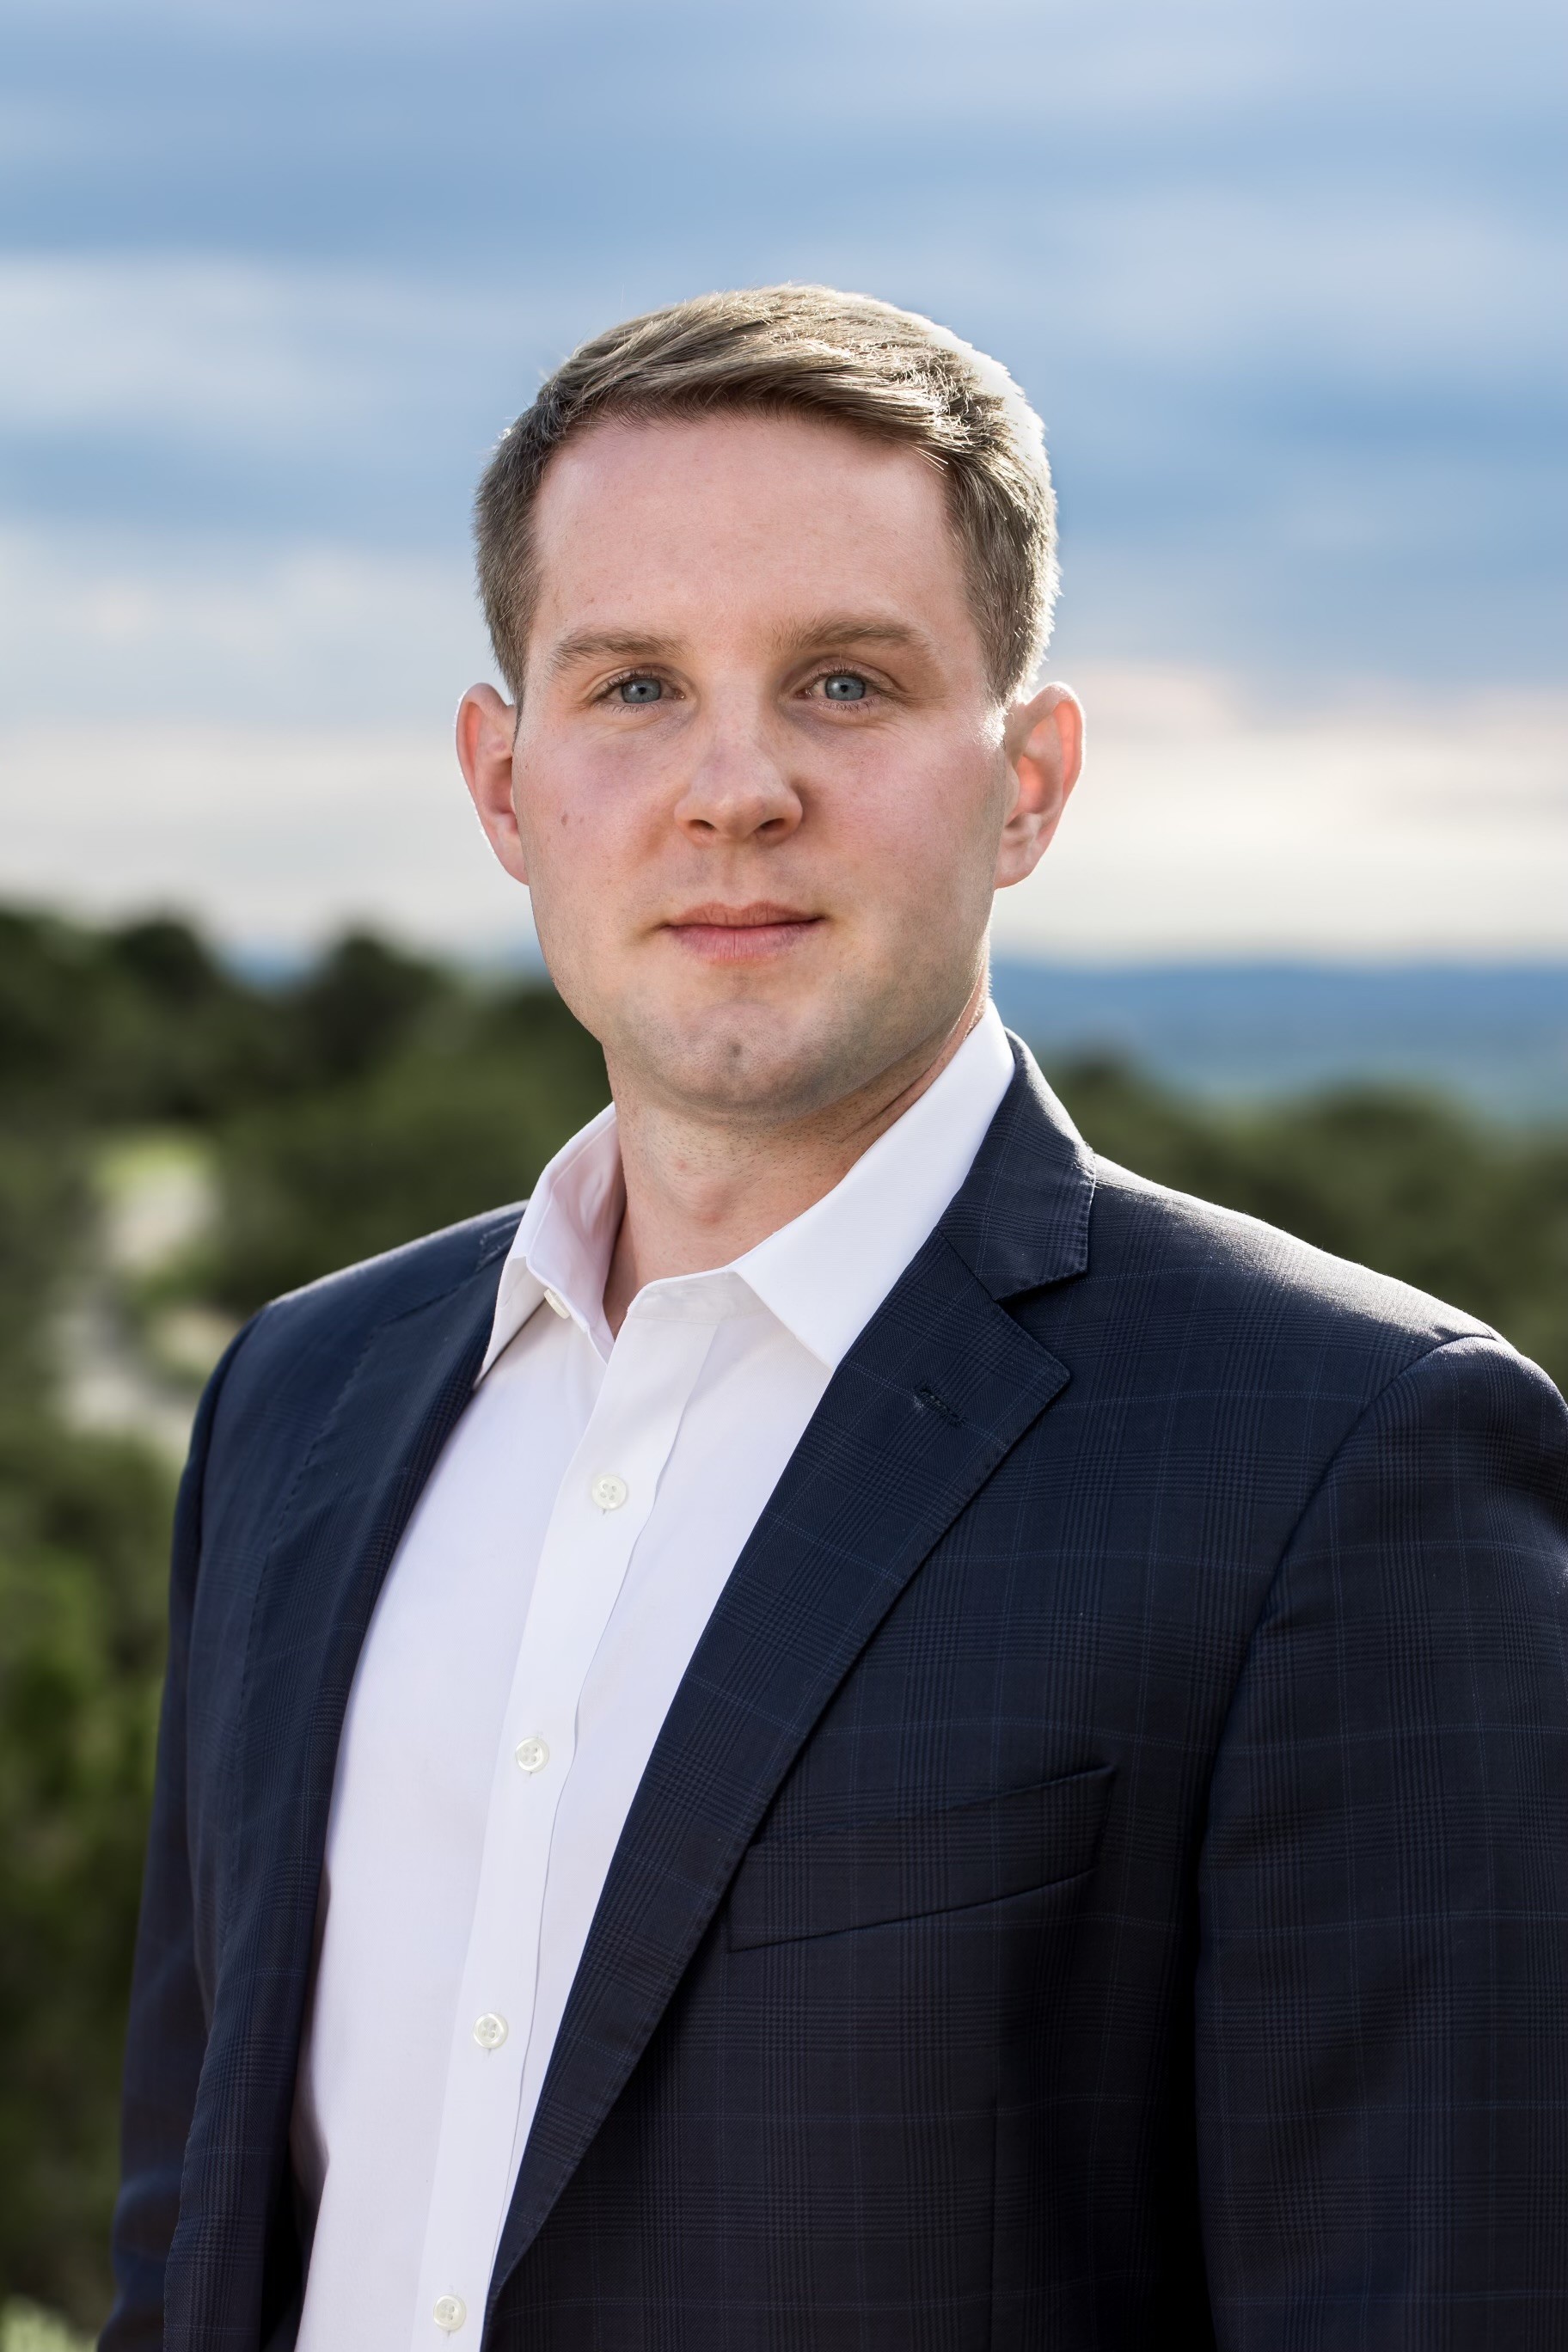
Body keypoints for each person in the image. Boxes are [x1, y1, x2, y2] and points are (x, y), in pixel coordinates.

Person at [106, 286, 1568, 2352]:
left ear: (1031, 782)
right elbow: (196, 2238)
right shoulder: (305, 1398)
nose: (735, 788)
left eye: (848, 684)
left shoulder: (1349, 1461)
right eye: (631, 687)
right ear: (504, 781)